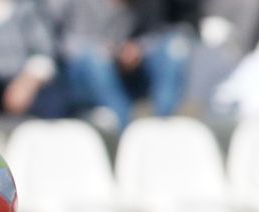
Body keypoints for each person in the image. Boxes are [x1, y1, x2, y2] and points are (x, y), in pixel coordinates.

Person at [58, 0, 193, 130]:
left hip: (131, 72)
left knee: (174, 47)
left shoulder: (146, 4)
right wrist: (106, 51)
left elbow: (157, 34)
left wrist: (138, 49)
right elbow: (66, 44)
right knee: (95, 60)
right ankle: (124, 127)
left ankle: (162, 124)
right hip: (84, 76)